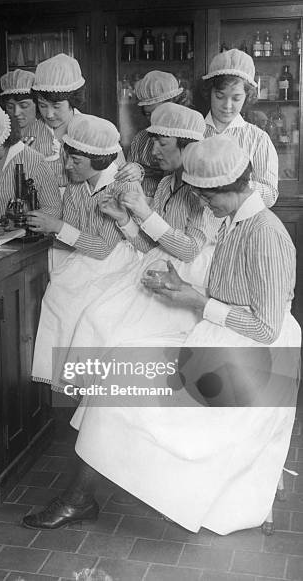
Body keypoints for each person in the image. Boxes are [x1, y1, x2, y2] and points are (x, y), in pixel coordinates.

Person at [23, 135, 300, 536]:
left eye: (208, 199)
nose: (205, 207)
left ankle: (79, 498)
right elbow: (231, 295)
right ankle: (81, 496)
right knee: (117, 365)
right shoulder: (237, 221)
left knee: (120, 382)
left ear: (231, 187)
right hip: (222, 342)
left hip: (257, 364)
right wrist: (186, 291)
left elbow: (266, 327)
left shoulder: (266, 233)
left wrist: (196, 301)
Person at [63, 103, 220, 353]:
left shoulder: (205, 188)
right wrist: (124, 220)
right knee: (94, 317)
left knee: (116, 336)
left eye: (162, 143)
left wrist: (146, 214)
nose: (153, 151)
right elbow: (151, 248)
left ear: (187, 144)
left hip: (189, 279)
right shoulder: (166, 183)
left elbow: (190, 251)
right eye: (153, 142)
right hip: (158, 266)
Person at [27, 113, 145, 386]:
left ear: (100, 160)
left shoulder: (122, 185)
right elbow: (73, 229)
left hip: (119, 260)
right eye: (67, 157)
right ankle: (61, 383)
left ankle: (85, 386)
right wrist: (52, 225)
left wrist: (56, 226)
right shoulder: (77, 186)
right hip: (86, 256)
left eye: (75, 160)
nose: (67, 166)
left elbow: (104, 248)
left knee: (85, 310)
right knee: (57, 296)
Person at [32, 53, 125, 188]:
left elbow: (120, 175)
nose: (49, 114)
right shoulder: (31, 133)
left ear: (72, 100)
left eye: (56, 106)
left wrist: (134, 169)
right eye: (42, 105)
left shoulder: (96, 132)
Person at [202, 48, 278, 207]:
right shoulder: (194, 132)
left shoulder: (258, 139)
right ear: (209, 92)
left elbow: (270, 195)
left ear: (247, 96)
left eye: (236, 98)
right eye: (220, 96)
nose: (227, 106)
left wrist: (238, 183)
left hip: (239, 227)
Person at [117, 70, 186, 196]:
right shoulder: (140, 139)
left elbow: (176, 173)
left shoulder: (188, 137)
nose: (154, 119)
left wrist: (143, 170)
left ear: (175, 105)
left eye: (158, 112)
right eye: (148, 114)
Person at [0, 68, 54, 156]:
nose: (16, 113)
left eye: (24, 106)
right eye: (10, 107)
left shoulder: (50, 134)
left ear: (37, 105)